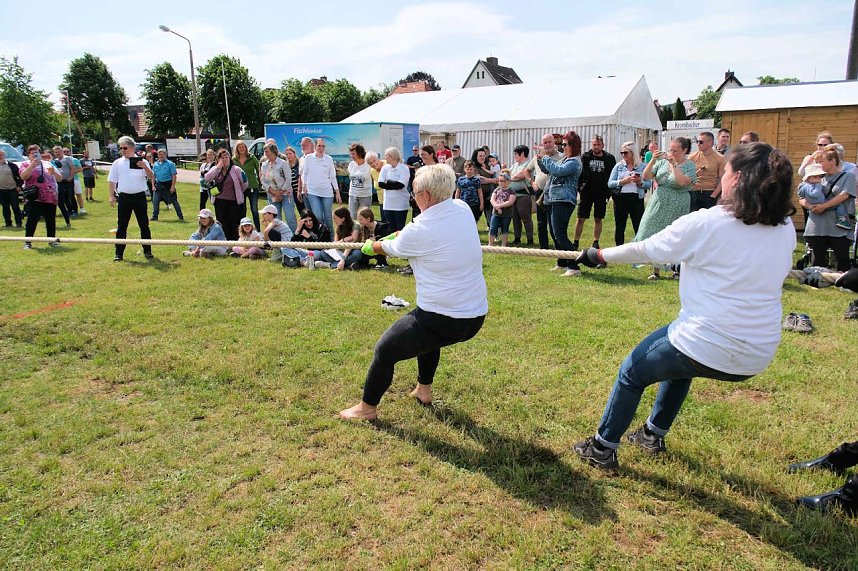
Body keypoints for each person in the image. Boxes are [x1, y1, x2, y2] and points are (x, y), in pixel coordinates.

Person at [572, 142, 797, 470]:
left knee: (631, 372)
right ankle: (651, 434)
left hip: (709, 341)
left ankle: (601, 449)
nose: (722, 177)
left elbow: (647, 249)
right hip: (758, 352)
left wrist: (599, 254)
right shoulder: (785, 227)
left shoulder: (708, 222)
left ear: (736, 180)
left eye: (727, 171)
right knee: (680, 364)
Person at [339, 164, 488, 421]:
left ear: (427, 195)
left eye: (414, 192)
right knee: (429, 339)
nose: (412, 196)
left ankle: (366, 409)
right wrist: (395, 236)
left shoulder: (420, 230)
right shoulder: (461, 209)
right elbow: (405, 238)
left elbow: (387, 248)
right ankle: (423, 390)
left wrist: (369, 247)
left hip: (443, 317)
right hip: (475, 316)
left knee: (384, 351)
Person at [637, 137, 697, 279]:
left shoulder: (689, 165)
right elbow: (645, 176)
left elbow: (682, 182)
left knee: (675, 236)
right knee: (651, 230)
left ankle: (676, 269)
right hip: (659, 201)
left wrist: (674, 165)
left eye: (675, 150)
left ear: (684, 150)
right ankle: (655, 270)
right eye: (670, 149)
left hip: (678, 203)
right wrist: (653, 160)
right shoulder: (662, 162)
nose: (671, 153)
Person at [800, 144, 857, 271]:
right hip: (818, 224)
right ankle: (815, 281)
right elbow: (802, 197)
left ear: (832, 161)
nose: (819, 164)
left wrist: (823, 206)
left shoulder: (848, 177)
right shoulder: (816, 177)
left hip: (838, 225)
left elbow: (844, 195)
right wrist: (810, 206)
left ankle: (844, 283)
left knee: (842, 258)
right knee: (818, 258)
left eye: (821, 161)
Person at [537, 130, 583, 277]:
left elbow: (557, 170)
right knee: (555, 234)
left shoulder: (574, 162)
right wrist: (540, 158)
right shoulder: (565, 159)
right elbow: (549, 170)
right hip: (552, 200)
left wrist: (546, 158)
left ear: (572, 145)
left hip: (563, 201)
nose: (562, 147)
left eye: (565, 145)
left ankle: (574, 267)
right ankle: (562, 262)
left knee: (560, 235)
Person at [108, 136, 155, 261]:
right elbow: (112, 180)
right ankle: (119, 254)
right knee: (121, 226)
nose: (122, 150)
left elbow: (151, 177)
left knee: (144, 225)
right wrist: (111, 196)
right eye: (120, 148)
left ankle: (148, 251)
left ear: (132, 148)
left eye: (125, 148)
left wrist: (144, 167)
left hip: (139, 196)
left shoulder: (142, 161)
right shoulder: (117, 163)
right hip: (124, 197)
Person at [574, 135, 617, 250]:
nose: (596, 147)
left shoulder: (609, 158)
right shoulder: (585, 157)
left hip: (601, 193)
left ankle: (595, 242)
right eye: (594, 145)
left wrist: (609, 191)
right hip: (586, 192)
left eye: (598, 144)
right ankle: (575, 242)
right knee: (581, 218)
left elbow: (613, 175)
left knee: (598, 218)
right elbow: (579, 173)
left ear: (603, 145)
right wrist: (580, 187)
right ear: (591, 145)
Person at [608, 141, 651, 246]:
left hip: (636, 199)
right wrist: (623, 181)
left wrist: (639, 182)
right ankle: (619, 249)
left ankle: (639, 248)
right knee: (620, 225)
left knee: (638, 225)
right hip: (620, 199)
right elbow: (610, 183)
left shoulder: (642, 166)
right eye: (621, 153)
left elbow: (648, 184)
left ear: (633, 153)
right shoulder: (618, 166)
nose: (623, 155)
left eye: (626, 153)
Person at [19, 145, 62, 249]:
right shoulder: (25, 164)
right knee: (32, 219)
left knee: (50, 219)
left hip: (50, 196)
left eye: (37, 152)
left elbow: (60, 178)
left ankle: (52, 240)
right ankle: (28, 242)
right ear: (28, 154)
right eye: (32, 152)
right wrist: (32, 166)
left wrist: (54, 172)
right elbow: (23, 177)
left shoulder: (48, 163)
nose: (35, 154)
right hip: (34, 197)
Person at [526, 134, 564, 249]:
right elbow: (527, 171)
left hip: (554, 193)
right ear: (542, 144)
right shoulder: (537, 158)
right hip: (540, 192)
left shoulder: (562, 157)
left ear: (554, 143)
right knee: (541, 222)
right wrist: (531, 182)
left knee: (554, 223)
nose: (547, 145)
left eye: (549, 142)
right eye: (545, 143)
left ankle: (558, 247)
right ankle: (544, 248)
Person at [204, 148, 248, 241]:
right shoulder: (216, 169)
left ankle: (235, 241)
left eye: (227, 157)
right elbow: (207, 178)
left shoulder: (236, 169)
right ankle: (225, 241)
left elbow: (245, 183)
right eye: (222, 157)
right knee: (222, 222)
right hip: (219, 201)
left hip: (233, 201)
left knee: (234, 222)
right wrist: (218, 167)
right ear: (218, 159)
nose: (225, 159)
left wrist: (239, 192)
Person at [799, 163, 854, 231]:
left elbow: (801, 195)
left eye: (819, 177)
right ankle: (842, 219)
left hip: (812, 205)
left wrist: (809, 205)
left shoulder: (802, 186)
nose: (818, 179)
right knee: (840, 205)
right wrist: (819, 186)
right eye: (815, 177)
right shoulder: (814, 186)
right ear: (808, 178)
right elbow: (815, 194)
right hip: (820, 202)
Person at [301, 138, 340, 231]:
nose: (321, 148)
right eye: (319, 145)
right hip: (312, 191)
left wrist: (337, 192)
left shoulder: (329, 159)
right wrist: (304, 185)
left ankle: (331, 240)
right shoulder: (309, 158)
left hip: (327, 192)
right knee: (318, 216)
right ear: (314, 147)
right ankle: (321, 239)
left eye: (323, 146)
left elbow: (333, 177)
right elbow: (304, 173)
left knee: (328, 217)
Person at [260, 143, 296, 231]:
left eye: (267, 151)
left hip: (286, 195)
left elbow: (288, 179)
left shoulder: (283, 163)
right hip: (272, 195)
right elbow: (262, 180)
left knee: (290, 218)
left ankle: (294, 241)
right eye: (265, 152)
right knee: (276, 219)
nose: (266, 153)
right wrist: (273, 192)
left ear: (273, 151)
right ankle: (280, 240)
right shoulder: (264, 165)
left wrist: (280, 192)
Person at [687, 132, 726, 211]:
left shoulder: (720, 158)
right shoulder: (692, 157)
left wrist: (714, 195)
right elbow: (685, 174)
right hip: (693, 191)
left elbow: (722, 179)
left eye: (701, 142)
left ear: (709, 143)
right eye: (697, 141)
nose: (698, 144)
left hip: (709, 192)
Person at [377, 147, 411, 232]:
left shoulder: (404, 168)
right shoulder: (385, 168)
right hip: (388, 204)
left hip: (400, 204)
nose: (385, 158)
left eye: (386, 155)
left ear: (392, 156)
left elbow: (400, 185)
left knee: (400, 228)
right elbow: (380, 184)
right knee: (390, 229)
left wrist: (387, 182)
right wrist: (393, 183)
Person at [508, 145, 534, 246]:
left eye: (515, 154)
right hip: (513, 196)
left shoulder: (528, 164)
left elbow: (521, 175)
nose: (514, 156)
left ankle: (530, 240)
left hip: (523, 195)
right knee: (515, 218)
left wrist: (510, 178)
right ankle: (517, 238)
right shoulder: (515, 165)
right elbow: (506, 174)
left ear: (522, 153)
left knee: (526, 218)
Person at [234, 141, 262, 230]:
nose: (242, 149)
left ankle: (258, 229)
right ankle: (243, 230)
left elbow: (259, 169)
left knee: (254, 209)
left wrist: (260, 182)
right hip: (240, 189)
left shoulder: (251, 157)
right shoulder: (234, 159)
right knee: (242, 210)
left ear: (246, 148)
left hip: (253, 187)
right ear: (237, 149)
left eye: (243, 147)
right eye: (240, 147)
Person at [150, 149, 184, 222]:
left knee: (174, 201)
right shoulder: (155, 164)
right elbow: (153, 176)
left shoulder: (170, 164)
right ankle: (155, 216)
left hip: (168, 184)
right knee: (155, 201)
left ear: (165, 155)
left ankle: (180, 216)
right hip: (158, 184)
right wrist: (153, 185)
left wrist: (172, 186)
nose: (160, 156)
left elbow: (174, 176)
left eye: (162, 154)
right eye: (159, 154)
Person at [471, 147, 497, 229]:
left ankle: (494, 234)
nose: (482, 157)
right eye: (480, 156)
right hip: (477, 197)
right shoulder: (473, 166)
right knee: (475, 217)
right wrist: (493, 180)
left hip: (488, 195)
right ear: (476, 156)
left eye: (483, 155)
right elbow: (479, 179)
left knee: (491, 216)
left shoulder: (488, 166)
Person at [489, 171, 516, 247]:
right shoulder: (497, 190)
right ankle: (490, 244)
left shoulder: (511, 191)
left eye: (502, 181)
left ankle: (504, 245)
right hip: (496, 213)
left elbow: (510, 202)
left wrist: (499, 206)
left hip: (506, 214)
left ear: (508, 181)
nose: (500, 183)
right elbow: (492, 199)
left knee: (505, 229)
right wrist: (496, 207)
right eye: (499, 181)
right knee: (493, 228)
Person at [347, 144, 372, 219]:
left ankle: (364, 231)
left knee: (364, 218)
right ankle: (353, 231)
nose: (352, 156)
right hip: (353, 195)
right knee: (352, 217)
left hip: (365, 196)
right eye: (351, 154)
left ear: (360, 153)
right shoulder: (351, 165)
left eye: (353, 154)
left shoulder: (368, 165)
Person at [0, 148, 24, 228]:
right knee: (5, 208)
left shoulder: (12, 165)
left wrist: (19, 186)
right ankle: (8, 223)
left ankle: (19, 223)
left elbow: (20, 177)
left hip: (12, 189)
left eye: (1, 154)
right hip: (1, 190)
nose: (0, 156)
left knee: (15, 207)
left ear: (4, 155)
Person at [52, 146, 77, 217]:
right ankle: (69, 211)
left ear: (61, 152)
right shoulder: (55, 161)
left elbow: (73, 168)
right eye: (56, 152)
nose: (57, 153)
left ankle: (75, 211)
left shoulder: (67, 158)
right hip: (61, 181)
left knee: (71, 195)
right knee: (64, 197)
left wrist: (71, 177)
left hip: (69, 180)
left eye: (59, 152)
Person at [366, 151, 386, 222]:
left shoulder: (387, 164)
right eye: (371, 163)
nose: (374, 164)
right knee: (385, 225)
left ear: (378, 158)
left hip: (392, 202)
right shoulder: (372, 171)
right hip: (381, 202)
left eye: (374, 160)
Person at [284, 146, 304, 214]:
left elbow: (300, 177)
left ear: (294, 154)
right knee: (301, 211)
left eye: (290, 153)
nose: (288, 156)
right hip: (294, 193)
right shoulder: (287, 166)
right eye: (287, 154)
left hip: (301, 191)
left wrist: (300, 190)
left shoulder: (299, 164)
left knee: (306, 210)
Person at [67, 148, 86, 214]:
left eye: (67, 151)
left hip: (75, 179)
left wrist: (72, 171)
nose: (66, 152)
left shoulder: (74, 160)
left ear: (70, 152)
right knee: (68, 196)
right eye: (64, 151)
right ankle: (70, 209)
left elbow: (80, 169)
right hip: (65, 180)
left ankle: (82, 208)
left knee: (78, 194)